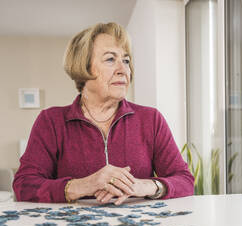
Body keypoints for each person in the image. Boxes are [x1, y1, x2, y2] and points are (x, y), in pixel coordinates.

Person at [13, 22, 194, 205]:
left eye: (126, 60)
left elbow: (185, 181)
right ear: (83, 67)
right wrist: (85, 185)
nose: (123, 70)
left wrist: (147, 186)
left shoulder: (151, 119)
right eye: (110, 59)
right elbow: (24, 185)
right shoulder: (51, 121)